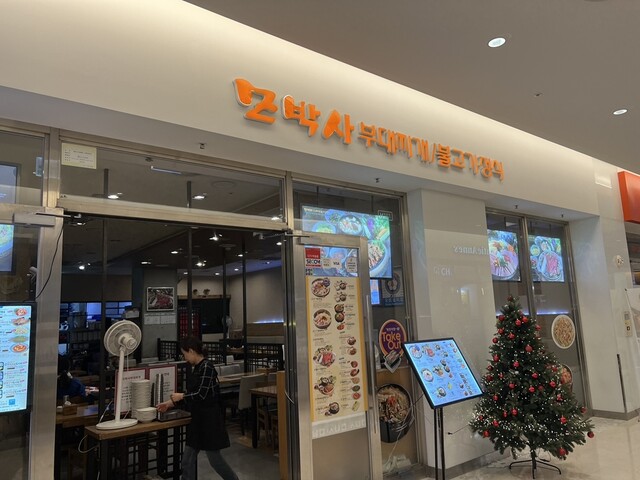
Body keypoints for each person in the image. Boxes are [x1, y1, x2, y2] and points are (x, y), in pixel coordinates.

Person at [157, 336, 238, 480]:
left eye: (185, 354)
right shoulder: (198, 368)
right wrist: (169, 403)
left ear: (192, 351)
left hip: (209, 420)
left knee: (215, 460)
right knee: (187, 461)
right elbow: (191, 394)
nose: (185, 358)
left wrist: (181, 396)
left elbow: (201, 394)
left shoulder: (207, 367)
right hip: (198, 420)